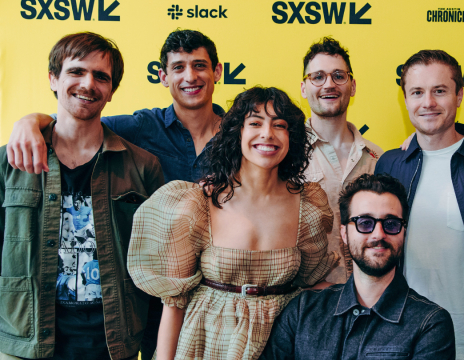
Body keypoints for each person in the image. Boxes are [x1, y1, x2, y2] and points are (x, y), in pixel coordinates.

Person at [4, 29, 225, 359]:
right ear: (52, 78)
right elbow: (74, 115)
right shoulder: (17, 158)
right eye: (76, 71)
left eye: (100, 76)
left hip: (129, 329)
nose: (88, 84)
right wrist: (28, 122)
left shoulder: (242, 133)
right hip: (28, 335)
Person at [127, 86, 338, 360]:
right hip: (204, 344)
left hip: (280, 345)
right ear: (236, 132)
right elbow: (174, 304)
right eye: (255, 123)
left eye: (280, 125)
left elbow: (313, 286)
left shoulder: (309, 206)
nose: (267, 133)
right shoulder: (197, 203)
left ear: (292, 137)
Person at [374, 50, 464, 360]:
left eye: (440, 91)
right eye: (417, 92)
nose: (428, 102)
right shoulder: (390, 165)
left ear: (459, 96)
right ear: (405, 100)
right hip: (402, 337)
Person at [259, 173, 455, 360]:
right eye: (365, 222)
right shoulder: (303, 310)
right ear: (344, 234)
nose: (378, 234)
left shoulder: (430, 323)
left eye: (391, 224)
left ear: (403, 233)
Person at [301, 37, 383, 284]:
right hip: (307, 303)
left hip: (369, 300)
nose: (329, 84)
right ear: (304, 88)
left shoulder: (379, 157)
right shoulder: (285, 155)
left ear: (353, 85)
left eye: (338, 75)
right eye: (318, 77)